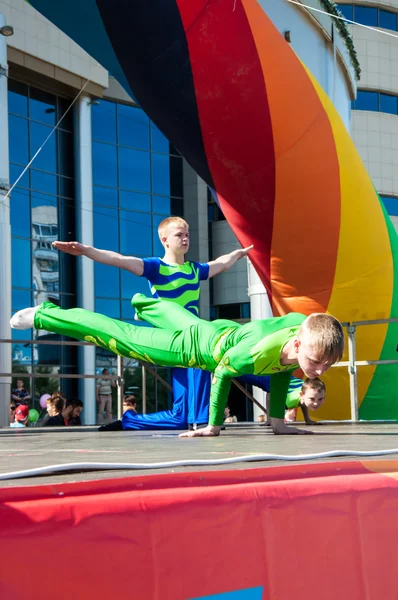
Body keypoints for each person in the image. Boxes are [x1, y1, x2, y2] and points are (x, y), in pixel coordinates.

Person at [10, 294, 344, 437]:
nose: (320, 371)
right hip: (194, 348)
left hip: (217, 328)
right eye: (316, 362)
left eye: (328, 365)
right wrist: (214, 425)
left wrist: (277, 423)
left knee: (184, 318)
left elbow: (285, 368)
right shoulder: (255, 354)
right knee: (119, 335)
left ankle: (145, 303)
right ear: (298, 344)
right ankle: (45, 313)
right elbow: (223, 373)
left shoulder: (306, 326)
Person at [53, 217, 251, 430]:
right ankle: (203, 420)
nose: (185, 239)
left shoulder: (195, 270)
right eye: (179, 235)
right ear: (164, 240)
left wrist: (239, 253)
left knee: (179, 418)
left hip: (192, 338)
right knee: (203, 353)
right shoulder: (156, 267)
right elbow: (118, 259)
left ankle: (131, 421)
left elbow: (221, 264)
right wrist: (86, 250)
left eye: (187, 235)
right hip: (172, 341)